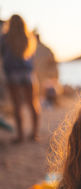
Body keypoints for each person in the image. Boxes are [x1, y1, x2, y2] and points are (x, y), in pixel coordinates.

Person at [1, 14, 40, 143]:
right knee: (32, 104)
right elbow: (32, 58)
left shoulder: (5, 38)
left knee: (17, 106)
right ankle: (34, 133)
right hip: (28, 75)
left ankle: (20, 135)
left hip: (12, 75)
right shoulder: (28, 38)